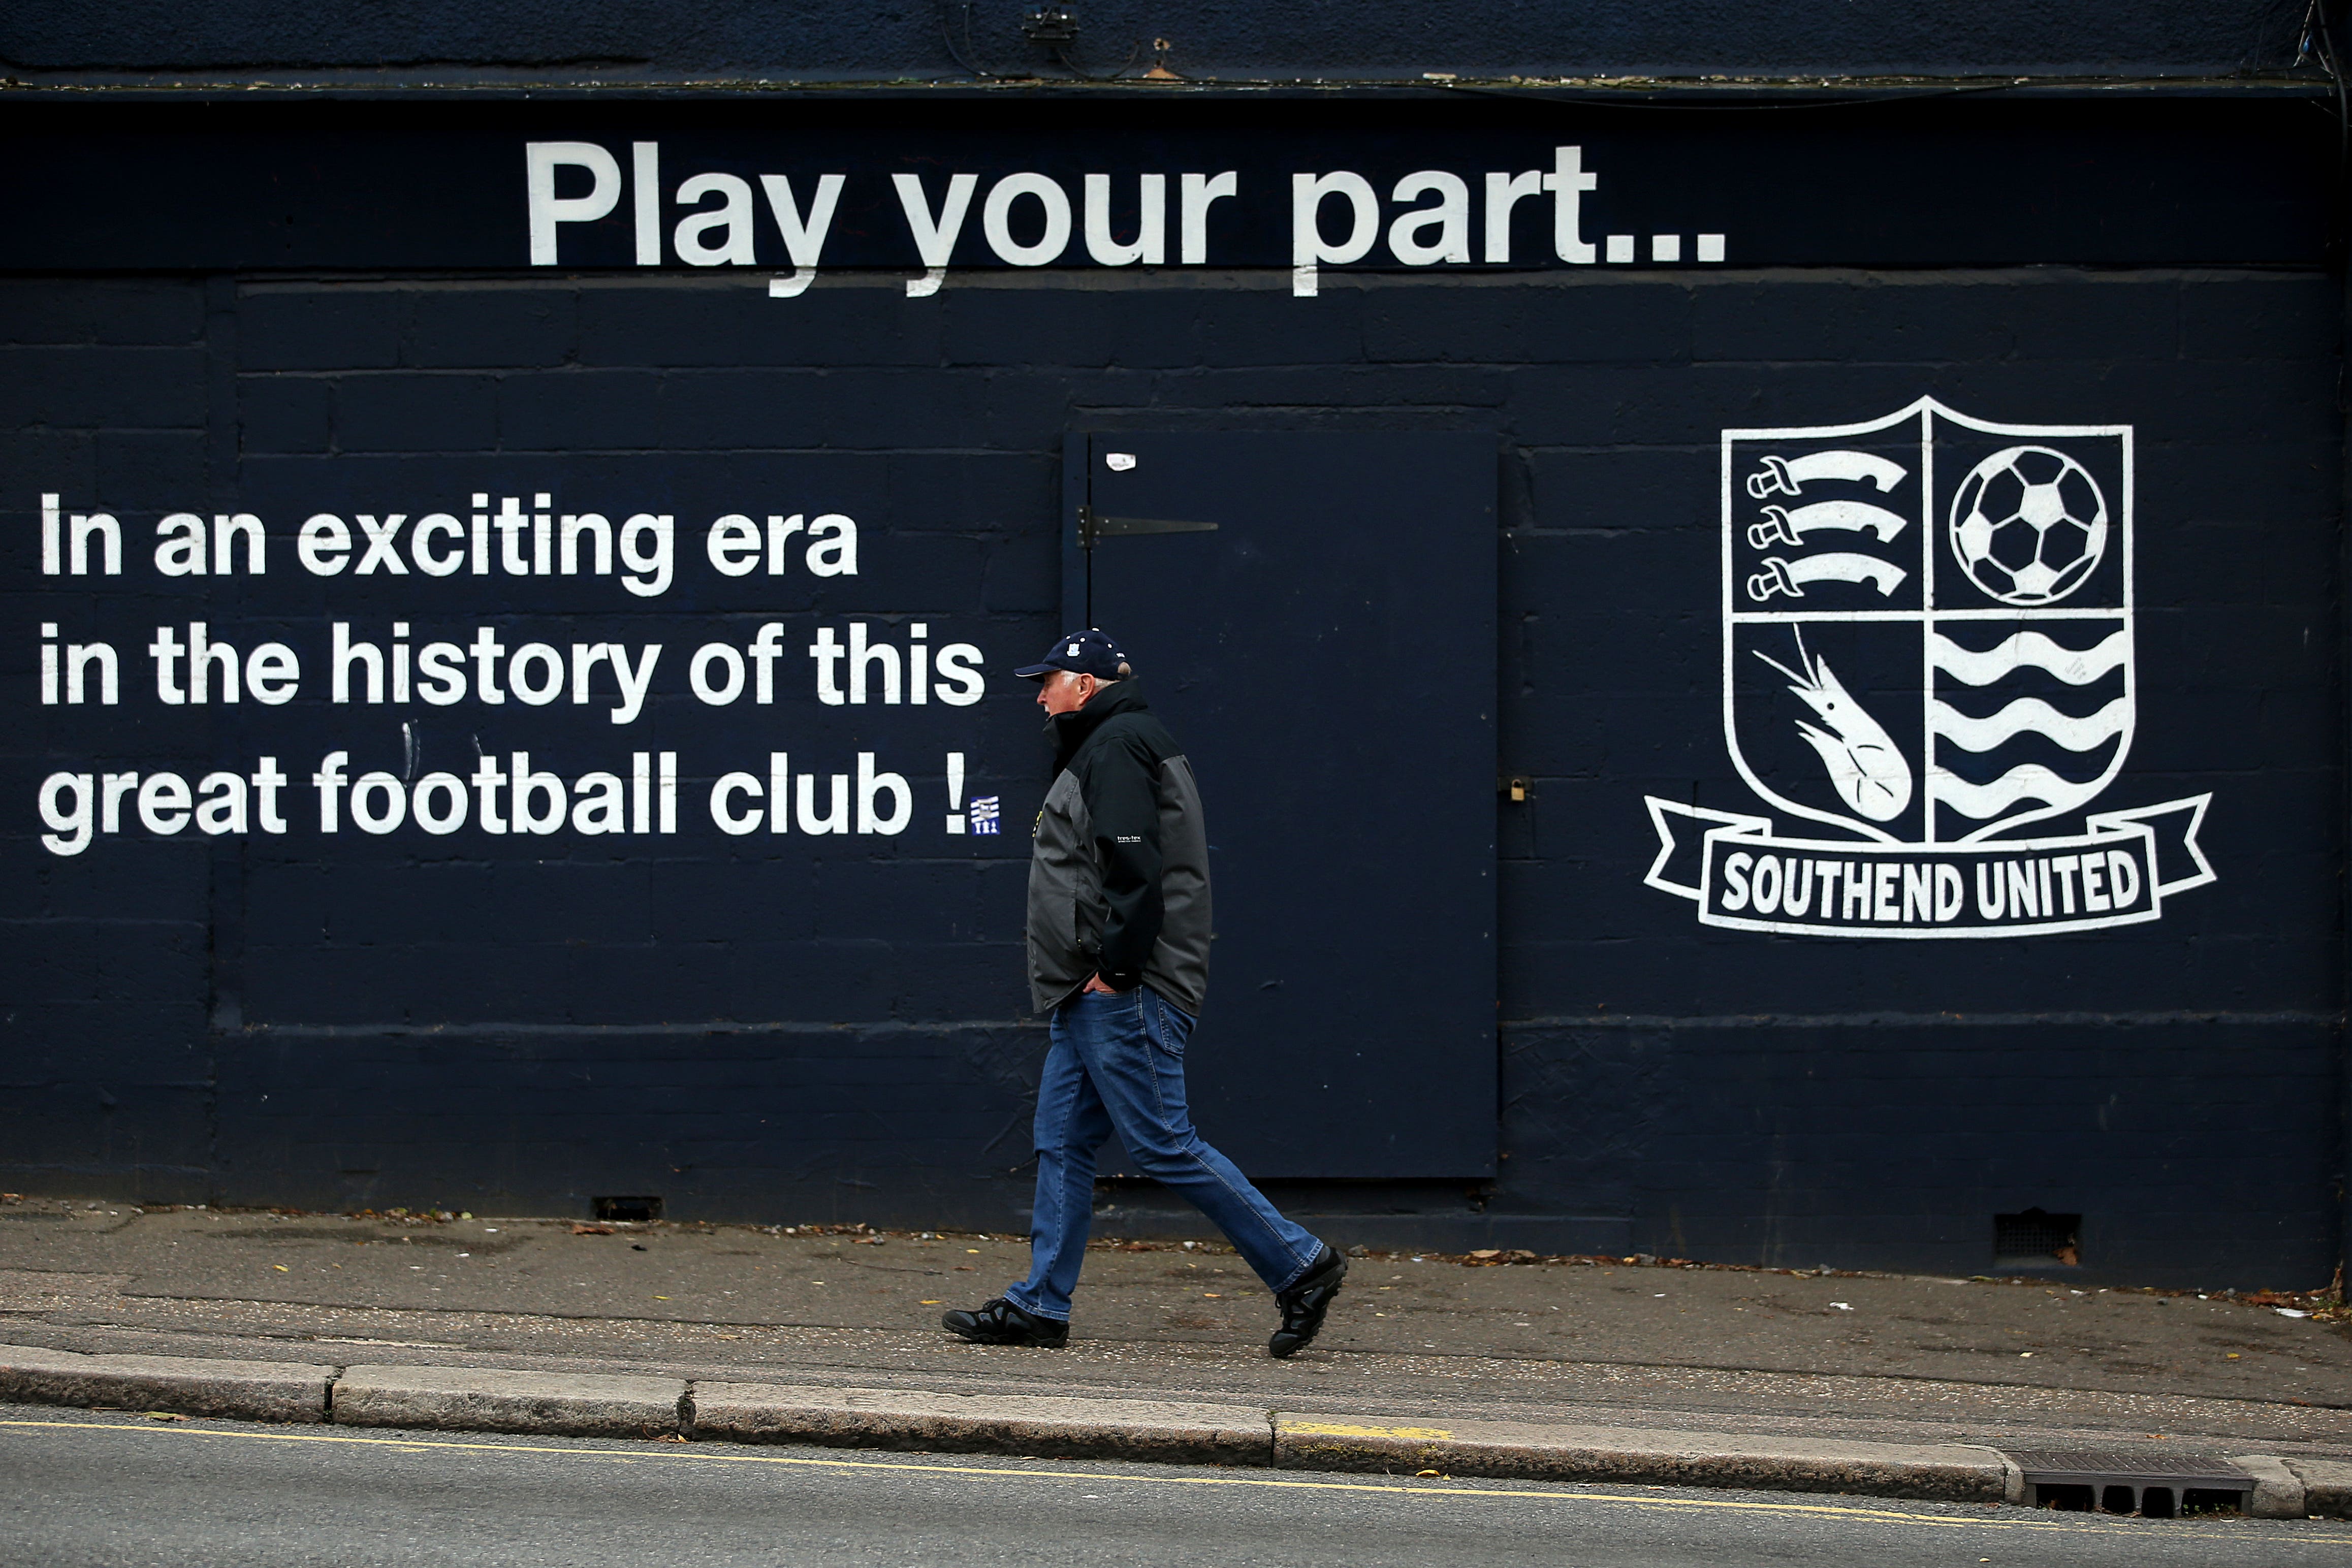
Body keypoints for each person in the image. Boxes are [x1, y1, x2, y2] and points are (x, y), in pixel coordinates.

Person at [942, 629, 1347, 1358]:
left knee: (1163, 1141)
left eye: (1048, 682)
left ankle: (1301, 1264)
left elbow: (1136, 867)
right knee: (1061, 1141)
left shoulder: (1118, 744)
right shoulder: (1113, 741)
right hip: (1089, 989)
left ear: (1085, 685)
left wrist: (1120, 970)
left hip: (1122, 989)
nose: (1039, 696)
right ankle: (1039, 1305)